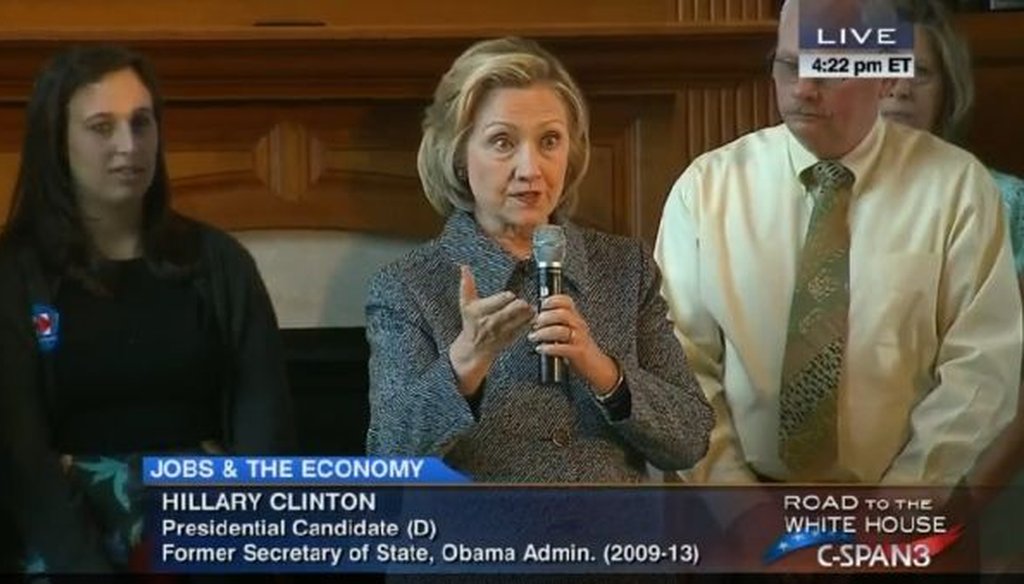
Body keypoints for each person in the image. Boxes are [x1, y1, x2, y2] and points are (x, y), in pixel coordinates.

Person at [654, 0, 1020, 491]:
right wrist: (738, 511)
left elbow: (980, 367)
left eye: (829, 69)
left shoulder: (955, 189)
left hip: (906, 512)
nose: (803, 89)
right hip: (738, 515)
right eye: (790, 65)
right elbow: (675, 359)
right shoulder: (707, 190)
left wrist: (896, 508)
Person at [365, 37, 713, 483]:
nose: (531, 168)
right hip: (486, 545)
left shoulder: (626, 267)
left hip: (614, 542)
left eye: (549, 140)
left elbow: (690, 438)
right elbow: (388, 456)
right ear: (457, 157)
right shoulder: (409, 286)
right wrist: (463, 365)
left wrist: (602, 371)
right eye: (502, 142)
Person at [0, 45, 294, 573]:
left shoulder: (220, 264)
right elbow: (21, 457)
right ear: (57, 141)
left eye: (142, 123)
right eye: (101, 127)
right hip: (65, 541)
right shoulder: (14, 276)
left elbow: (265, 428)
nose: (128, 146)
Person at [880, 0, 1024, 572]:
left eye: (919, 72)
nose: (898, 86)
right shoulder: (811, 204)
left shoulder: (1007, 203)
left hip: (982, 485)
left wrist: (955, 509)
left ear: (947, 91)